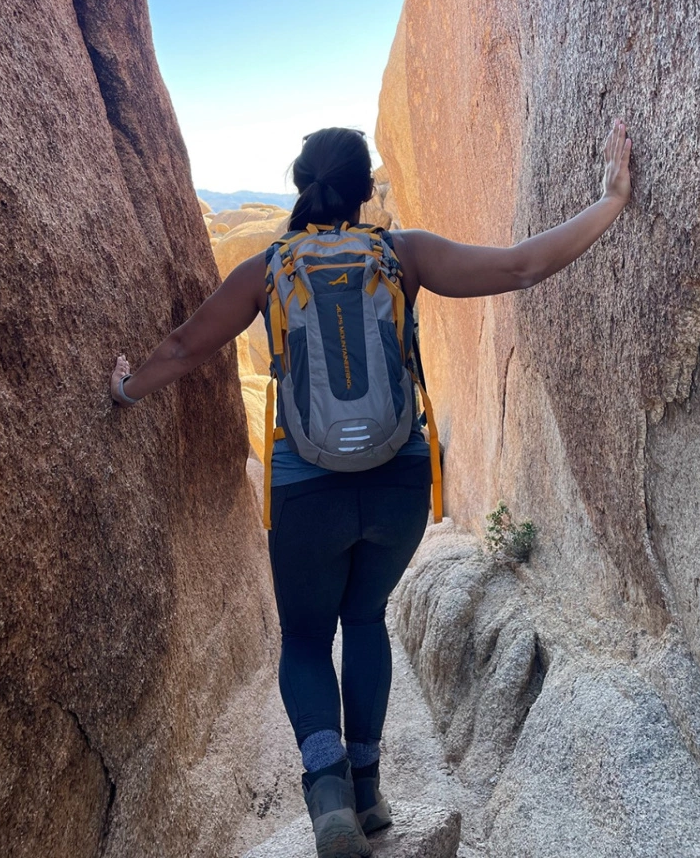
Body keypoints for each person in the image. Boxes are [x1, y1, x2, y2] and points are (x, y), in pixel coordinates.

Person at [110, 121, 632, 858]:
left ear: (301, 185)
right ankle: (370, 792)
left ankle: (327, 795)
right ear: (363, 193)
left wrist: (125, 391)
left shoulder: (269, 267)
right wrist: (610, 200)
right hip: (398, 483)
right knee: (365, 620)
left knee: (303, 638)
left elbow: (187, 346)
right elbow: (519, 266)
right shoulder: (401, 253)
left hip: (306, 490)